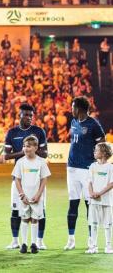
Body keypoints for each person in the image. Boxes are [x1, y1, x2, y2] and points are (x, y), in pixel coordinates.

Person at [4, 103, 48, 250]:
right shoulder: (12, 133)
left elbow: (45, 153)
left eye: (31, 115)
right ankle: (15, 241)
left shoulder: (39, 131)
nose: (29, 118)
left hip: (35, 179)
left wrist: (31, 152)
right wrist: (23, 153)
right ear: (20, 115)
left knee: (40, 210)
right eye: (26, 115)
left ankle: (39, 241)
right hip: (19, 178)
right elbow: (6, 156)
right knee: (15, 210)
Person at [65, 96, 105, 250]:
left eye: (73, 107)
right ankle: (71, 239)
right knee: (73, 203)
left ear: (80, 109)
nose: (71, 109)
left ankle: (91, 239)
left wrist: (97, 161)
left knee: (90, 205)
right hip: (72, 168)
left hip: (87, 169)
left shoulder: (93, 124)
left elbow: (102, 142)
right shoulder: (74, 121)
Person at [12, 136, 51, 254]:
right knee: (24, 219)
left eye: (28, 146)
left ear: (35, 147)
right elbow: (17, 179)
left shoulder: (41, 162)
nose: (25, 148)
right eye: (24, 146)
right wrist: (22, 195)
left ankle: (34, 244)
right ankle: (24, 244)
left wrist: (39, 195)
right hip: (24, 197)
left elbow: (44, 179)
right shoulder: (20, 162)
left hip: (37, 197)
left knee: (35, 219)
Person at [87, 142, 113, 254]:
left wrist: (100, 193)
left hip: (106, 200)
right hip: (94, 200)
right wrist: (92, 193)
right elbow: (89, 181)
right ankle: (93, 246)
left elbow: (111, 184)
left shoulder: (110, 167)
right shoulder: (93, 166)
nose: (94, 152)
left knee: (107, 224)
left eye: (96, 150)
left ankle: (108, 246)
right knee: (93, 223)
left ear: (103, 153)